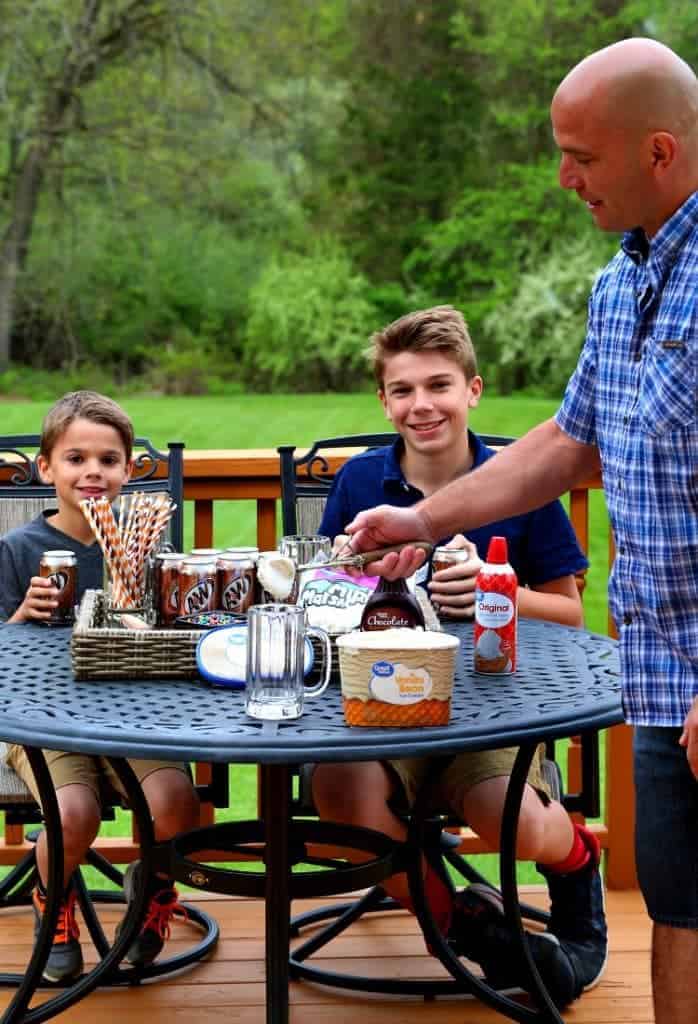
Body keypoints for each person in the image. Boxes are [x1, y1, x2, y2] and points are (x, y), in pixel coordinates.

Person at [343, 38, 698, 1024]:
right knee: (680, 911)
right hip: (663, 668)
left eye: (580, 153)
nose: (562, 175)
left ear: (658, 151)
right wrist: (416, 516)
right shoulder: (619, 283)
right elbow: (569, 442)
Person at [312, 305, 604, 1008]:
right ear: (384, 401)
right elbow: (321, 595)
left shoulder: (521, 483)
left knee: (512, 820)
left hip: (495, 707)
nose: (422, 405)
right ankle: (465, 927)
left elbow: (569, 611)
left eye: (439, 386)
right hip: (378, 708)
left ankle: (577, 858)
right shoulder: (360, 484)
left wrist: (494, 590)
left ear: (473, 390)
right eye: (404, 390)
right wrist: (362, 586)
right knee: (337, 803)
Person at [0, 391, 201, 983]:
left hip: (136, 712)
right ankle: (52, 898)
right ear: (46, 468)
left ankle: (153, 886)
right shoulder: (17, 551)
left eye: (109, 460)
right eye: (75, 458)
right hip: (41, 720)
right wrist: (19, 620)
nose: (93, 472)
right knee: (74, 812)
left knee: (175, 803)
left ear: (129, 471)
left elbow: (177, 630)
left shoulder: (150, 551)